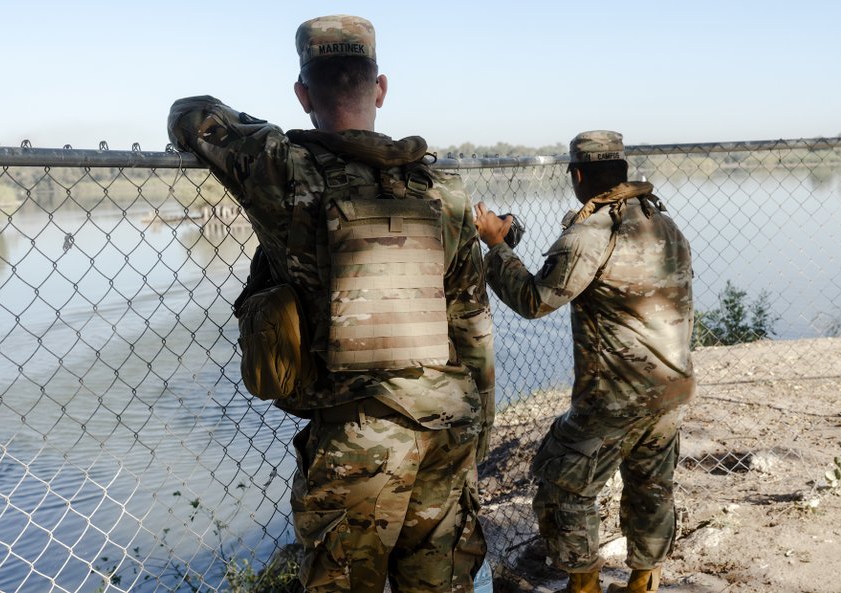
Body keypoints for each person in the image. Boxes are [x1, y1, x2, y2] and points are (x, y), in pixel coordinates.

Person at [167, 15, 495, 593]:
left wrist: (272, 131)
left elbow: (191, 114)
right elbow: (472, 325)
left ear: (302, 94)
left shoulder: (284, 169)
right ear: (380, 88)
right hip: (448, 423)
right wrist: (478, 427)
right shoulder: (443, 191)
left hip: (356, 436)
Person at [473, 131, 695, 593]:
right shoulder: (662, 222)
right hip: (670, 388)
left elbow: (535, 300)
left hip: (616, 396)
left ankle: (585, 584)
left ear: (577, 175)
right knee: (652, 484)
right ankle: (643, 581)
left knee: (562, 486)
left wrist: (496, 246)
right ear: (622, 170)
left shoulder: (592, 233)